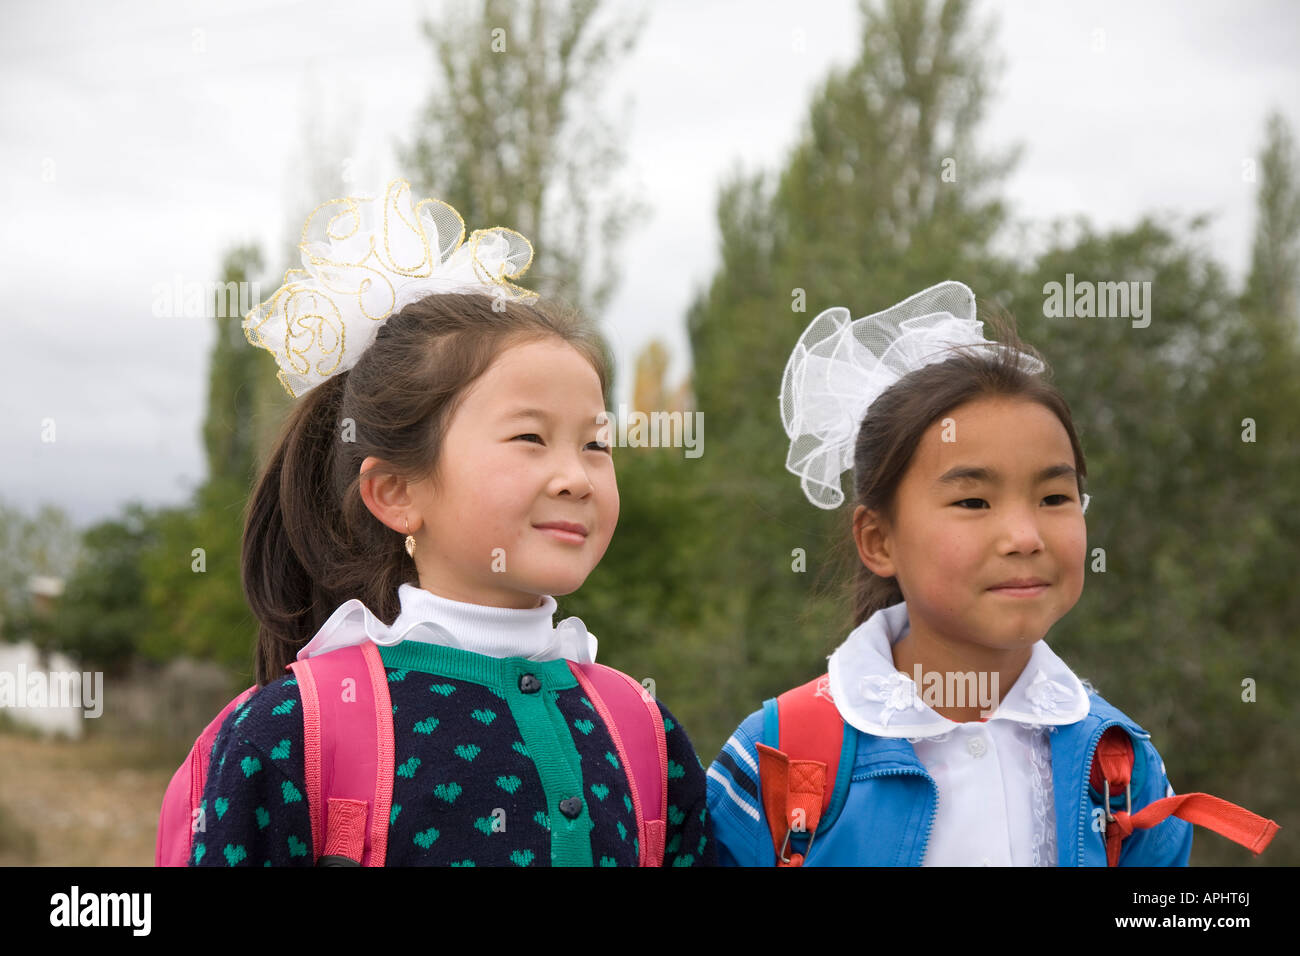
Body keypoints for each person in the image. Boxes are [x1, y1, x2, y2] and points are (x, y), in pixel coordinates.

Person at [190, 179, 712, 866]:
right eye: (530, 438)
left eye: (595, 444)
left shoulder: (641, 730)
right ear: (397, 493)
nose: (575, 477)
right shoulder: (292, 733)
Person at [708, 280, 1197, 866]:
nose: (1025, 537)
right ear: (878, 539)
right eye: (973, 502)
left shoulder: (1119, 762)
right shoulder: (782, 754)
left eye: (1054, 497)